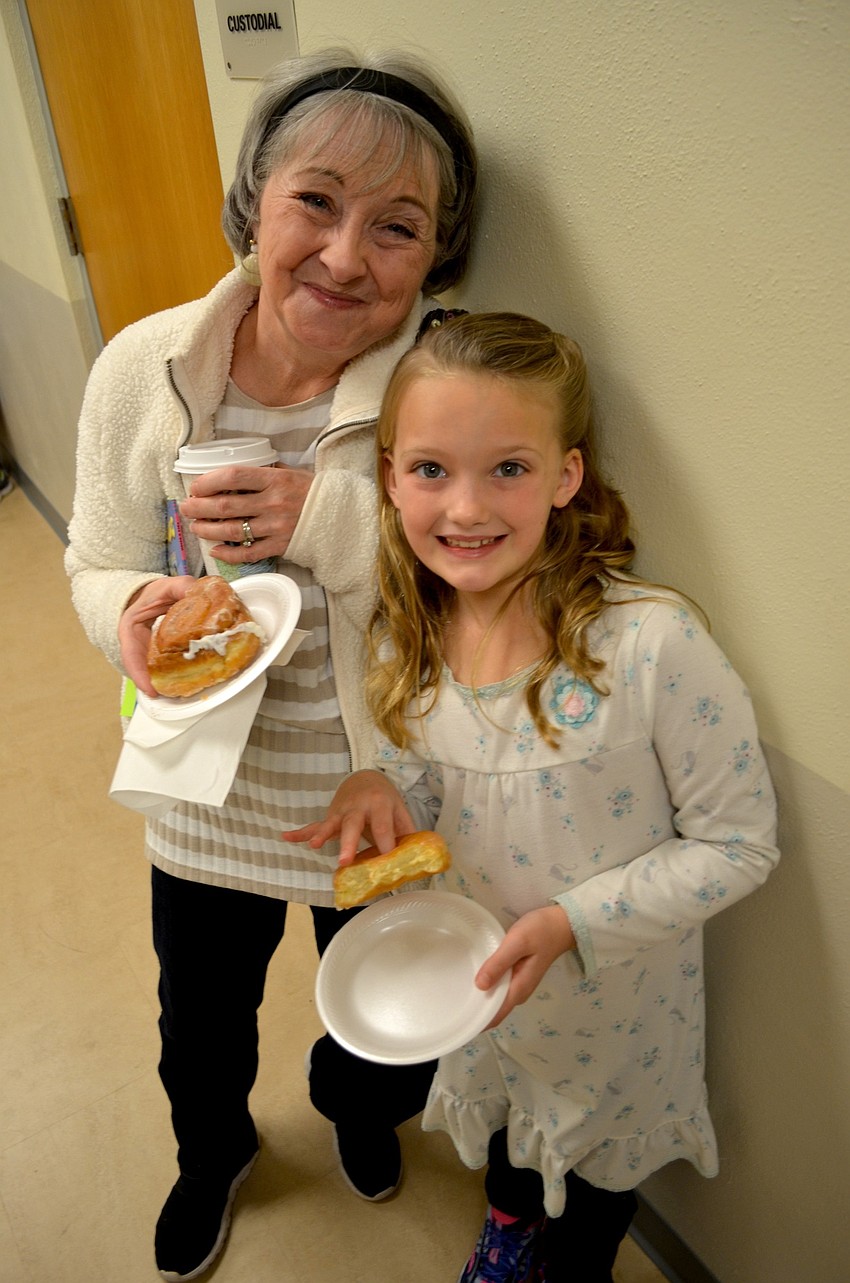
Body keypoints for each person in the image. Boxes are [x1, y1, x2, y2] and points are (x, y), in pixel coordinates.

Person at [65, 48, 478, 1282]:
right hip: (205, 795)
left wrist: (322, 516)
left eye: (396, 227)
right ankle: (213, 1150)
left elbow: (486, 578)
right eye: (315, 201)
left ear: (439, 255)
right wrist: (135, 606)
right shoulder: (147, 364)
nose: (346, 256)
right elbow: (94, 553)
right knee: (197, 1022)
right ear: (254, 199)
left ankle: (354, 1107)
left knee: (392, 1030)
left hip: (378, 786)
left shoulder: (447, 387)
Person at [286, 312, 780, 1283]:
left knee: (597, 1171)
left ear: (565, 475)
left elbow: (738, 844)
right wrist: (381, 782)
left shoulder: (649, 643)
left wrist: (568, 920)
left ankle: (572, 1261)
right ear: (388, 476)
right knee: (512, 1128)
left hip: (614, 1003)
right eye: (430, 468)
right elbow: (426, 772)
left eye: (506, 467)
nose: (464, 506)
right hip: (479, 987)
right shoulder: (403, 637)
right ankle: (508, 1220)